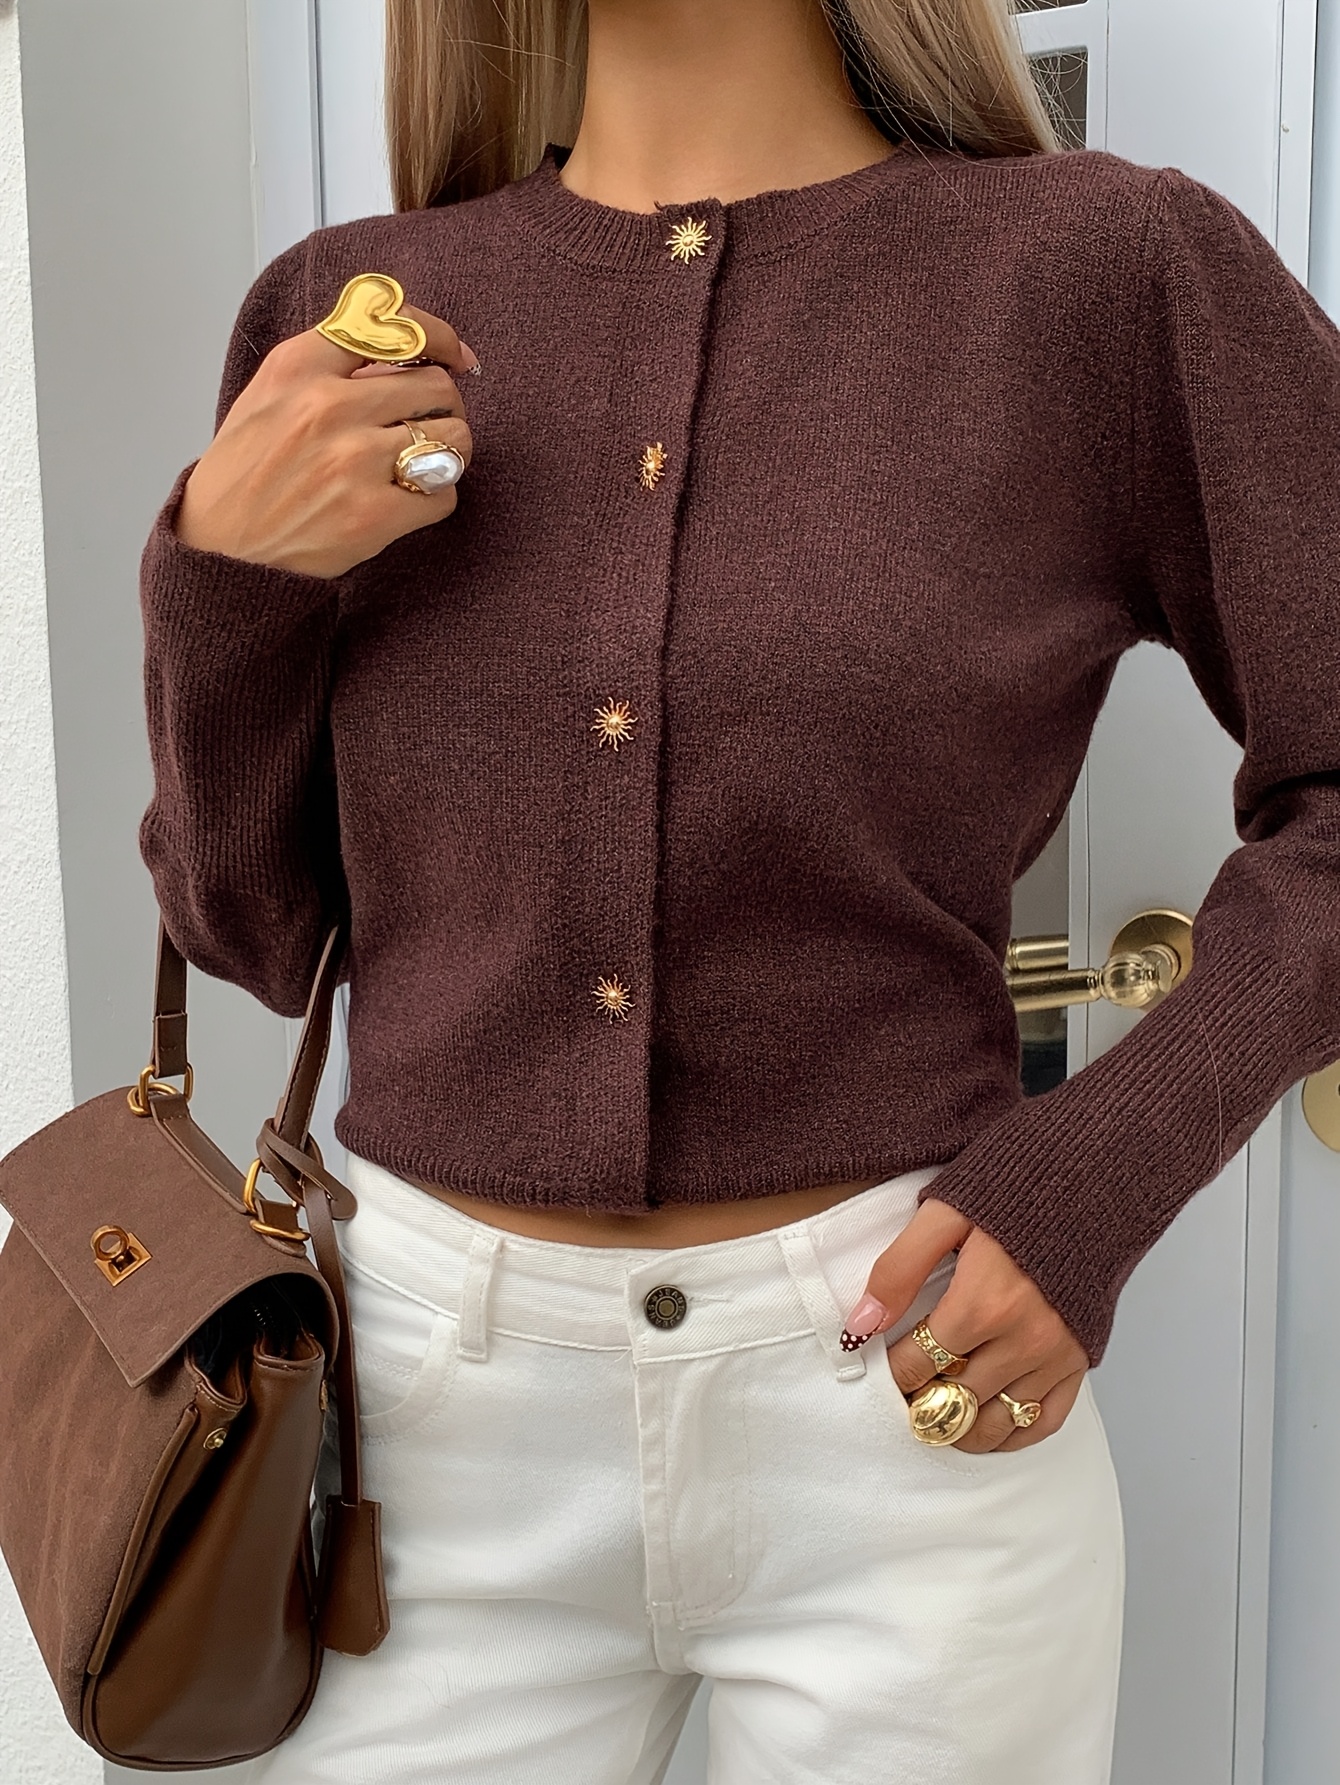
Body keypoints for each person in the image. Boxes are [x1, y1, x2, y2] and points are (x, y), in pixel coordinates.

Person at [136, 1, 1340, 1780]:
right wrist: (222, 579)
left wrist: (1091, 1176)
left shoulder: (1100, 276)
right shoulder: (347, 310)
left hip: (902, 1401)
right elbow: (253, 930)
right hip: (418, 1441)